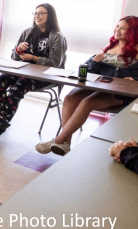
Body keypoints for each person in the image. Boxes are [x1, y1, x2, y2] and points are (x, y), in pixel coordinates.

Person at [36, 16, 138, 155]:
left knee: (87, 102)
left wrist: (134, 79)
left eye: (123, 28)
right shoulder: (110, 47)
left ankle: (58, 141)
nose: (118, 30)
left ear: (133, 32)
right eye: (118, 26)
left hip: (119, 94)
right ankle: (66, 144)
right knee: (70, 97)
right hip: (99, 87)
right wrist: (95, 62)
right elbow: (88, 71)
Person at [0, 3, 67, 141]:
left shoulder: (57, 37)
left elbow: (55, 64)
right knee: (1, 79)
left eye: (41, 13)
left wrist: (33, 58)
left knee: (19, 85)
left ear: (49, 16)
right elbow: (13, 57)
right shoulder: (27, 32)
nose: (37, 16)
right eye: (35, 13)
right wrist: (18, 51)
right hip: (24, 71)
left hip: (45, 76)